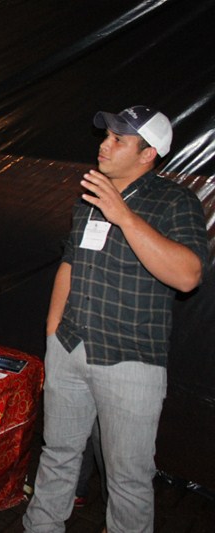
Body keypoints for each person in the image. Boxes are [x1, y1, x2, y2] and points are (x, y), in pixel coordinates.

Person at [23, 106, 208, 532]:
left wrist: (123, 215)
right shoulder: (90, 196)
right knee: (58, 455)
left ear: (148, 154)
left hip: (130, 362)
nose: (104, 145)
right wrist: (53, 334)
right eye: (106, 136)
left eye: (118, 140)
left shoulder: (175, 201)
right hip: (70, 347)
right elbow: (70, 263)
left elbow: (188, 276)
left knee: (127, 479)